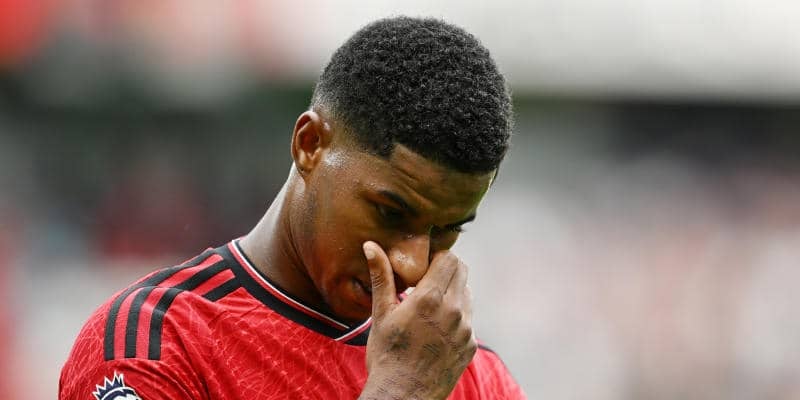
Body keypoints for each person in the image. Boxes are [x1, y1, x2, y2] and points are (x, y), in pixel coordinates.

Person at [60, 16, 525, 399]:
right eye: (391, 214)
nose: (412, 264)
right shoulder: (154, 347)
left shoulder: (471, 377)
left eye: (445, 230)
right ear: (310, 144)